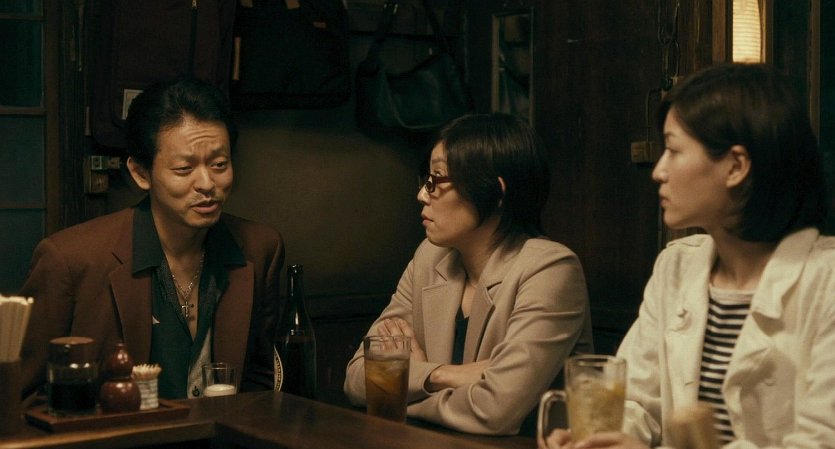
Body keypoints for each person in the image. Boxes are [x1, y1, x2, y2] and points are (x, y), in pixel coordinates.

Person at [542, 63, 835, 449]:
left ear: (735, 166)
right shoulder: (677, 265)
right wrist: (603, 437)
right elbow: (638, 400)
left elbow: (820, 440)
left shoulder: (826, 280)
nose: (658, 171)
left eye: (673, 149)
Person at [18, 78, 284, 400]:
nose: (207, 183)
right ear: (141, 173)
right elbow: (23, 398)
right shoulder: (70, 260)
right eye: (184, 168)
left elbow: (262, 381)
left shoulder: (260, 248)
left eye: (219, 164)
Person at [344, 113, 595, 436]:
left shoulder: (551, 269)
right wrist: (443, 375)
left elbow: (495, 411)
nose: (422, 194)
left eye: (437, 179)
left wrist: (405, 389)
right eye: (425, 179)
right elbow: (357, 380)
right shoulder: (429, 258)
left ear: (495, 192)